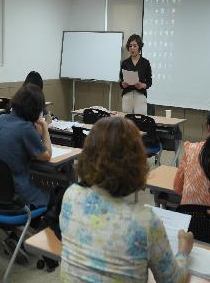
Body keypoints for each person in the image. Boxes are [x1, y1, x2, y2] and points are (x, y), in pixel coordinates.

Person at [60, 117, 192, 283]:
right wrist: (183, 251)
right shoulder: (144, 221)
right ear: (137, 162)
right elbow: (174, 281)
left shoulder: (71, 196)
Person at [0, 83, 51, 207]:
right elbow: (47, 155)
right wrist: (44, 125)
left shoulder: (1, 119)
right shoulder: (25, 128)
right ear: (37, 109)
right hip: (15, 197)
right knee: (54, 193)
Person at [119, 34, 152, 115]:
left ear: (139, 47)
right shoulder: (125, 63)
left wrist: (142, 85)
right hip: (127, 95)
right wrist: (123, 84)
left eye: (135, 46)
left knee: (140, 121)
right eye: (130, 46)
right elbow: (121, 81)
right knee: (127, 120)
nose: (132, 48)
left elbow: (149, 82)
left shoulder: (145, 63)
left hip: (140, 96)